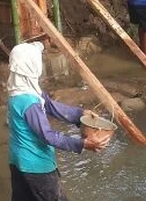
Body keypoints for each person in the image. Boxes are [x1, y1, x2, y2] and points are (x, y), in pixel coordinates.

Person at [7, 42, 108, 201]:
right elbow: (47, 135)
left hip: (18, 162)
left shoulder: (19, 91)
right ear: (33, 67)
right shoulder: (30, 103)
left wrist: (80, 115)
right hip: (36, 165)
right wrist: (82, 144)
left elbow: (50, 106)